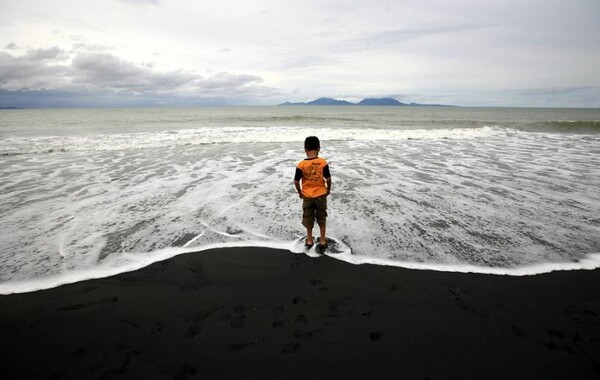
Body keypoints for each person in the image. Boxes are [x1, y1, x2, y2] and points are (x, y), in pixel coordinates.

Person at [294, 136, 332, 252]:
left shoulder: (301, 165)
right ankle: (322, 241)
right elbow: (329, 179)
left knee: (308, 218)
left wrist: (300, 192)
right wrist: (328, 190)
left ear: (305, 150)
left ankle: (309, 240)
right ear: (319, 149)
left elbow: (296, 181)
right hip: (321, 194)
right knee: (321, 217)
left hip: (307, 196)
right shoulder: (323, 162)